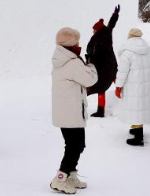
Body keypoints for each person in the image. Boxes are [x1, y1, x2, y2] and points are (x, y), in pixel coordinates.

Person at [50, 27, 98, 194]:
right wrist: (91, 65)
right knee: (73, 146)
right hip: (70, 111)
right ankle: (60, 179)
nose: (79, 45)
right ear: (70, 44)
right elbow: (90, 79)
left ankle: (70, 174)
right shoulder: (72, 62)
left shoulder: (61, 58)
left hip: (68, 110)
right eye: (77, 42)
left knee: (78, 145)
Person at [114, 28, 150, 147]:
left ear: (130, 36)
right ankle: (136, 128)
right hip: (144, 85)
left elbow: (122, 71)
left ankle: (138, 138)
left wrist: (118, 86)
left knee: (135, 107)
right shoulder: (148, 51)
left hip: (132, 86)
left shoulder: (127, 52)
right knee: (140, 107)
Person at [85, 5, 120, 118]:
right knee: (105, 85)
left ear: (97, 29)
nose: (93, 31)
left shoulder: (100, 37)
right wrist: (115, 15)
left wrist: (89, 61)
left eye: (94, 29)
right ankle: (101, 111)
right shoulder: (106, 33)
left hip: (102, 67)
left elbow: (94, 53)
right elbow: (111, 25)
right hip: (110, 64)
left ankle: (98, 110)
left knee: (97, 86)